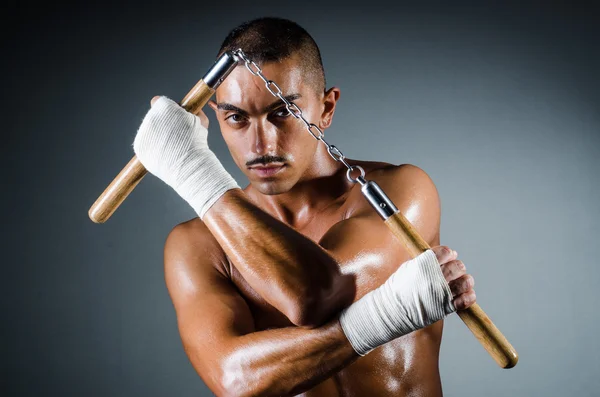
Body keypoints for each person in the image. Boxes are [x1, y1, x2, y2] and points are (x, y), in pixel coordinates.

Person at [133, 17, 476, 397]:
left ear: (326, 109)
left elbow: (315, 296)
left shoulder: (399, 191)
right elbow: (235, 381)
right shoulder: (197, 245)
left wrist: (192, 171)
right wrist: (387, 315)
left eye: (282, 112)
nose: (261, 143)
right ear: (216, 118)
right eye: (237, 117)